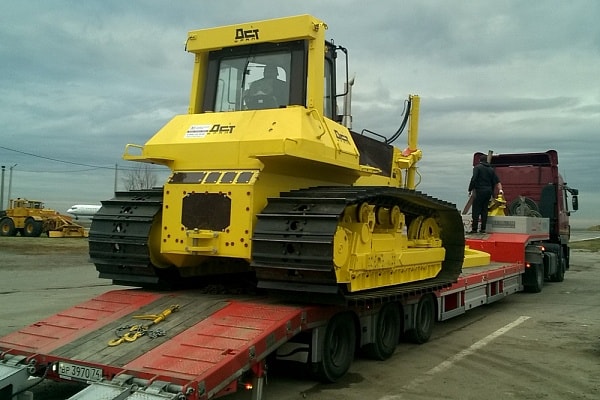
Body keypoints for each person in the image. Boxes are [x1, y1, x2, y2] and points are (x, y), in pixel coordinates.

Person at [468, 155, 503, 233]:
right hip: (488, 192)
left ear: (480, 160)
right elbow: (497, 181)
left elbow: (474, 179)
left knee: (476, 209)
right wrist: (500, 190)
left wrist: (470, 189)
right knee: (484, 210)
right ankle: (483, 229)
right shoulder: (491, 169)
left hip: (479, 191)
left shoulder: (477, 168)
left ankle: (474, 229)